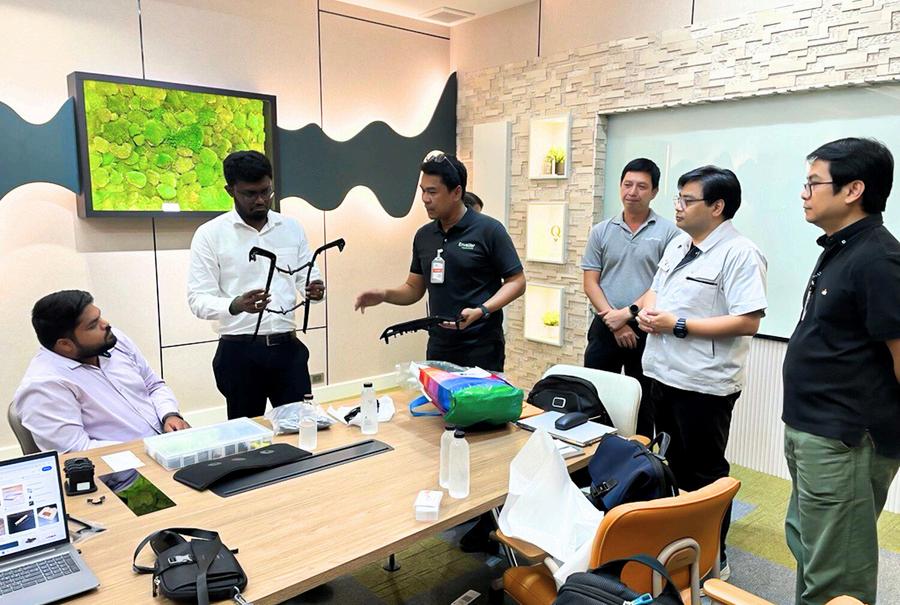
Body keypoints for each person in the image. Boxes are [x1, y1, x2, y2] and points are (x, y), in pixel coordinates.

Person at [782, 138, 900, 605]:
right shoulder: (841, 247)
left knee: (838, 580)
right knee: (811, 552)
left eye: (814, 183)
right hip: (813, 431)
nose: (804, 192)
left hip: (847, 440)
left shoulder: (879, 259)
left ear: (853, 190)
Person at [637, 166, 767, 579]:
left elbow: (748, 320)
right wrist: (645, 312)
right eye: (678, 198)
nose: (677, 206)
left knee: (705, 474)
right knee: (669, 465)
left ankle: (713, 556)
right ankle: (676, 544)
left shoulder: (741, 253)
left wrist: (677, 324)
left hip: (703, 384)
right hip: (662, 373)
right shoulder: (679, 244)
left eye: (687, 200)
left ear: (717, 207)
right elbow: (656, 290)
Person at [354, 151, 525, 373]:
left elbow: (517, 282)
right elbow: (414, 289)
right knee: (437, 397)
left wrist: (482, 310)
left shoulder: (489, 230)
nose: (425, 199)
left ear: (456, 192)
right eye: (423, 191)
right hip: (438, 346)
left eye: (432, 192)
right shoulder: (424, 236)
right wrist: (385, 294)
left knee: (477, 398)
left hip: (481, 348)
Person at [187, 150, 325, 420]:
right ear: (230, 190)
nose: (261, 200)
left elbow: (309, 277)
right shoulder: (210, 235)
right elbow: (197, 299)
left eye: (266, 191)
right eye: (250, 194)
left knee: (303, 428)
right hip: (239, 353)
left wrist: (316, 290)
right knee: (247, 435)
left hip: (288, 350)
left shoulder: (292, 228)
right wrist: (236, 304)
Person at [14, 290, 189, 453]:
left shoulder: (113, 341)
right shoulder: (44, 385)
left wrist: (170, 415)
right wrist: (151, 449)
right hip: (127, 471)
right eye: (93, 325)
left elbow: (153, 386)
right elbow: (77, 451)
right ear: (65, 344)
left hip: (166, 448)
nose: (105, 324)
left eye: (99, 317)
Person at [581, 158, 679, 437]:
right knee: (595, 396)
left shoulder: (670, 234)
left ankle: (640, 455)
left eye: (641, 186)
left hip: (647, 328)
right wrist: (614, 321)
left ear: (654, 191)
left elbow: (663, 285)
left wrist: (627, 315)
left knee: (645, 402)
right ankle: (595, 451)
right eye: (627, 184)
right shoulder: (601, 231)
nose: (632, 192)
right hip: (605, 325)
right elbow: (590, 283)